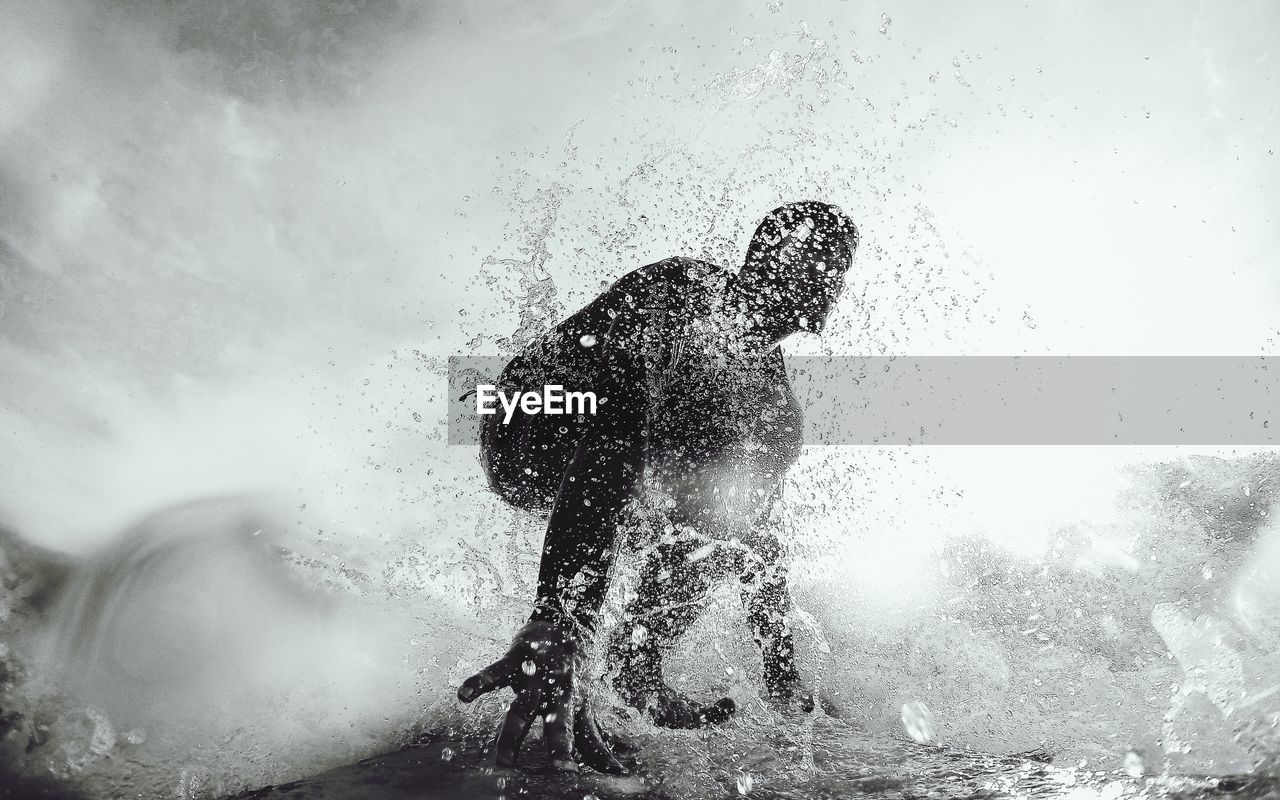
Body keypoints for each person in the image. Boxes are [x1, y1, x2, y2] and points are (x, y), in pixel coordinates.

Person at [456, 201, 859, 773]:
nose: (818, 278)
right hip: (532, 416)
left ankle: (636, 661)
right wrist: (556, 618)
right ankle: (561, 635)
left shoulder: (772, 407)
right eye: (805, 258)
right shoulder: (682, 293)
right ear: (761, 258)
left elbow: (762, 546)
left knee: (739, 521)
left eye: (829, 266)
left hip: (611, 446)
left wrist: (783, 683)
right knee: (632, 419)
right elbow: (612, 437)